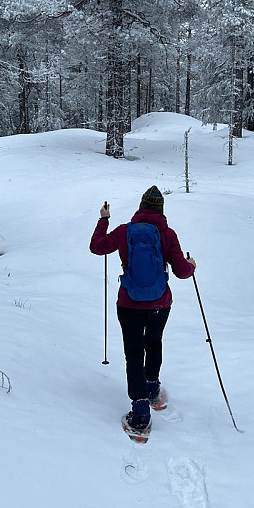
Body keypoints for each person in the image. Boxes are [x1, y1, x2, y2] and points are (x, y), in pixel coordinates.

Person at [90, 186, 196, 437]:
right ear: (161, 210)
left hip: (129, 304)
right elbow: (181, 272)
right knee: (154, 342)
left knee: (134, 353)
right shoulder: (167, 234)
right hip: (160, 303)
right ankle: (152, 389)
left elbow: (97, 247)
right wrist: (191, 266)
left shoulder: (125, 231)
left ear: (140, 207)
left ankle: (140, 414)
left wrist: (103, 219)